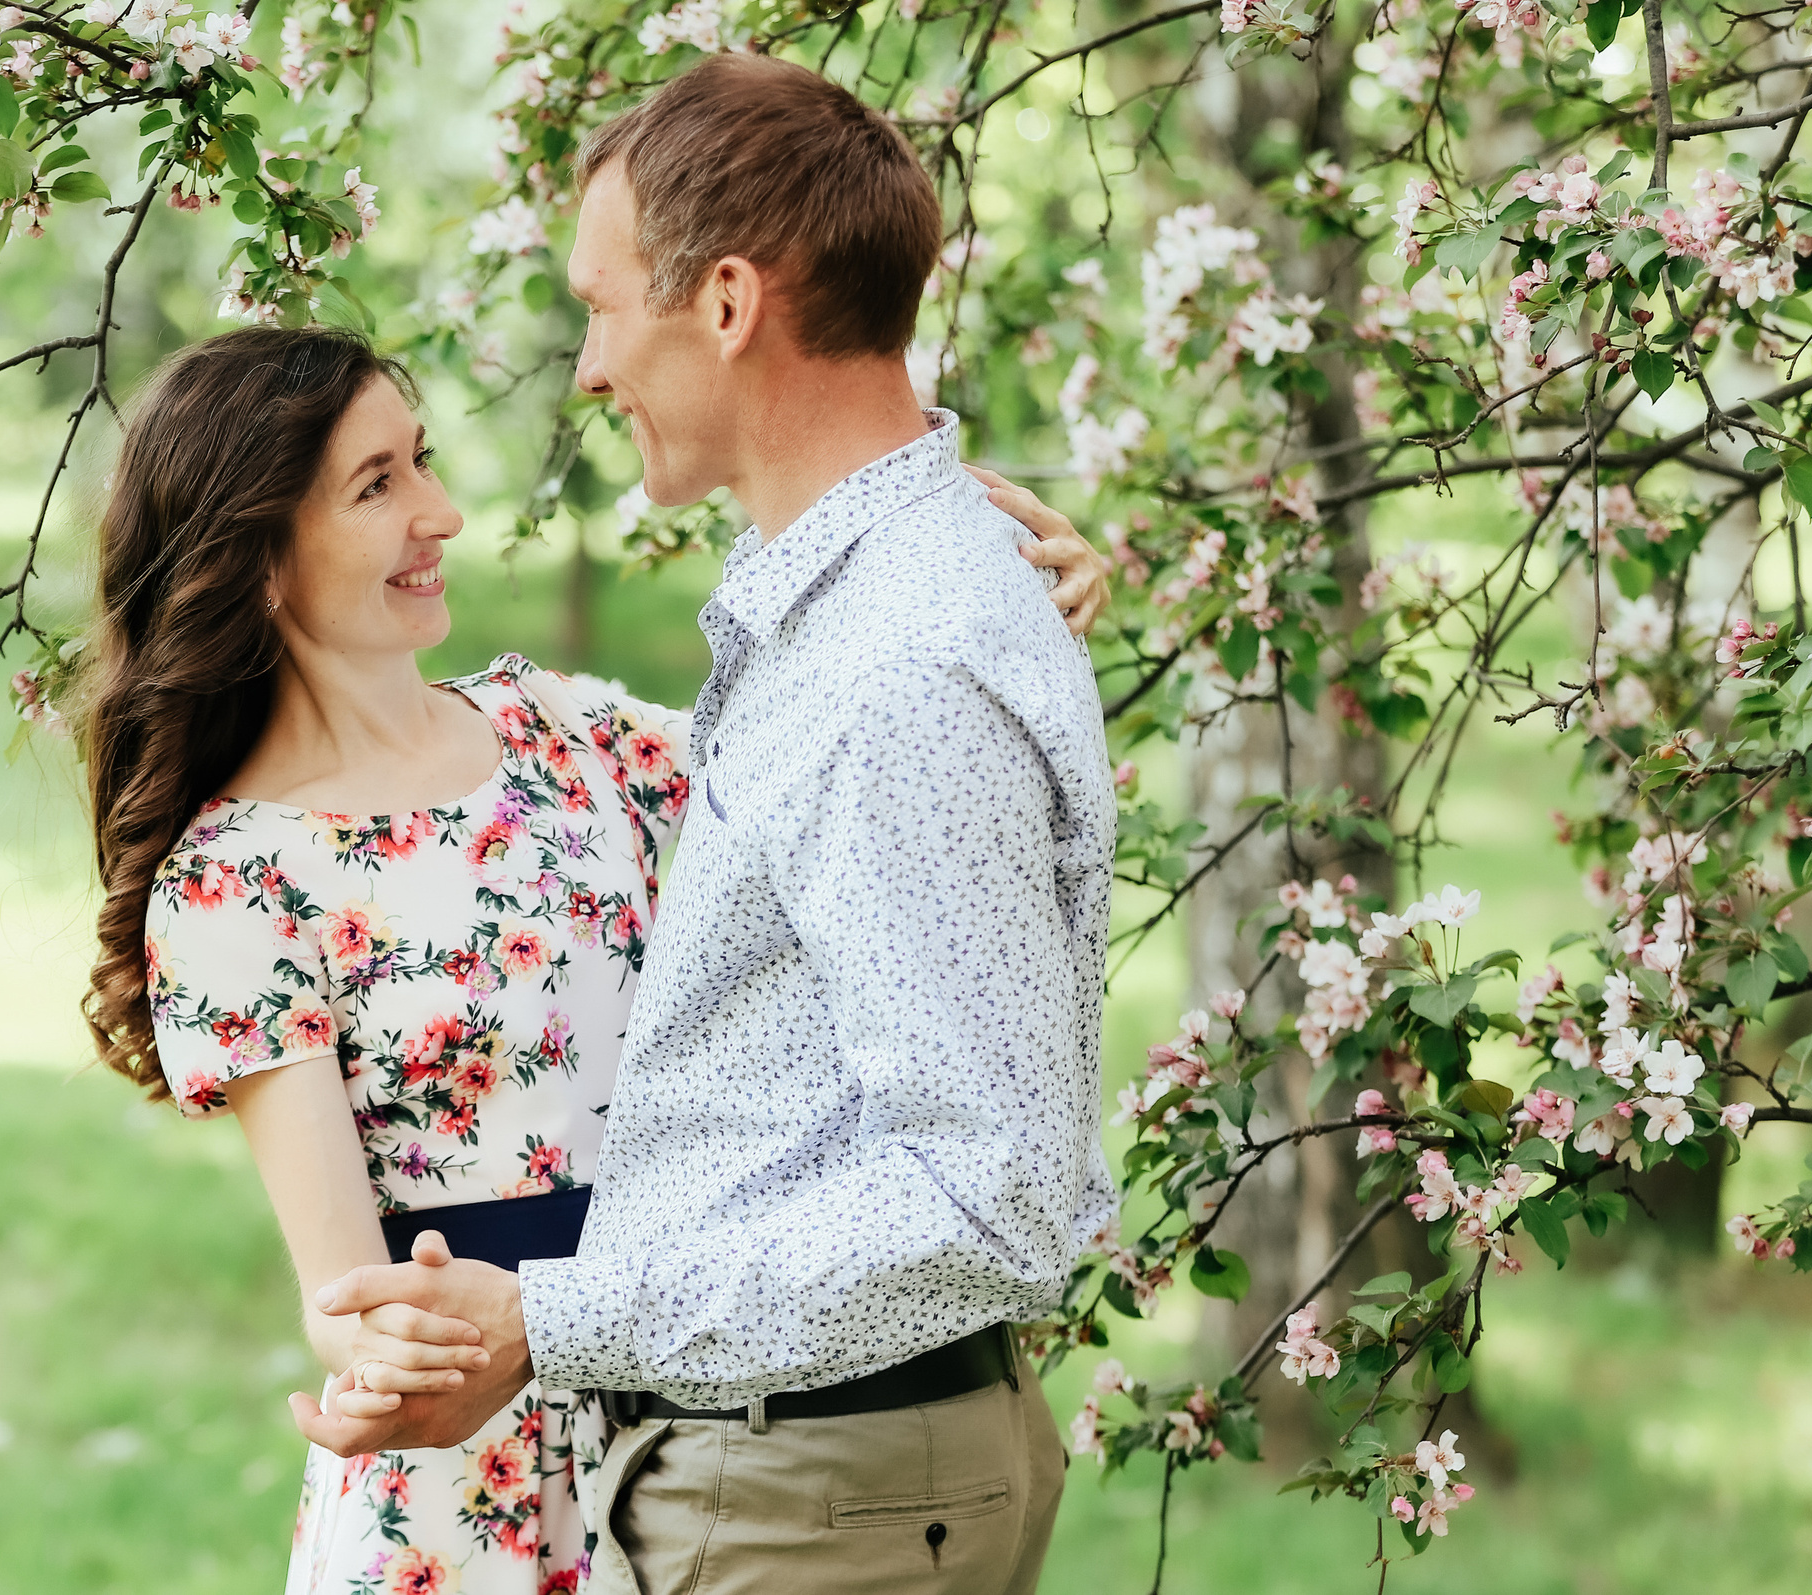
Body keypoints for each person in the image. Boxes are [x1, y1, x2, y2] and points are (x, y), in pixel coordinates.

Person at [79, 318, 1109, 1590]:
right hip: (472, 1476)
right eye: (378, 484)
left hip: (703, 1397)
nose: (441, 513)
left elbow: (857, 761)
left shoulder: (566, 734)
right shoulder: (236, 881)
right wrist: (383, 1363)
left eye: (423, 461)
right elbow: (342, 1289)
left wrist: (984, 601)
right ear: (262, 560)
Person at [294, 54, 1119, 1595]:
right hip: (808, 1478)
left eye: (605, 307)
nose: (591, 365)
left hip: (822, 1494)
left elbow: (982, 1190)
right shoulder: (877, 611)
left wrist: (552, 1317)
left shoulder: (901, 666)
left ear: (727, 304)